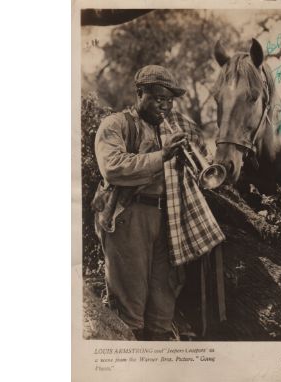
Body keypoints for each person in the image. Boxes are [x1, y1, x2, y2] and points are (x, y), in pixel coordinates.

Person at [93, 65, 205, 340]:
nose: (164, 106)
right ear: (139, 94)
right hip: (129, 217)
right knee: (130, 308)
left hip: (166, 219)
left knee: (162, 310)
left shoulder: (170, 128)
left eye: (169, 100)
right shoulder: (117, 124)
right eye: (157, 98)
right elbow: (112, 167)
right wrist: (162, 156)